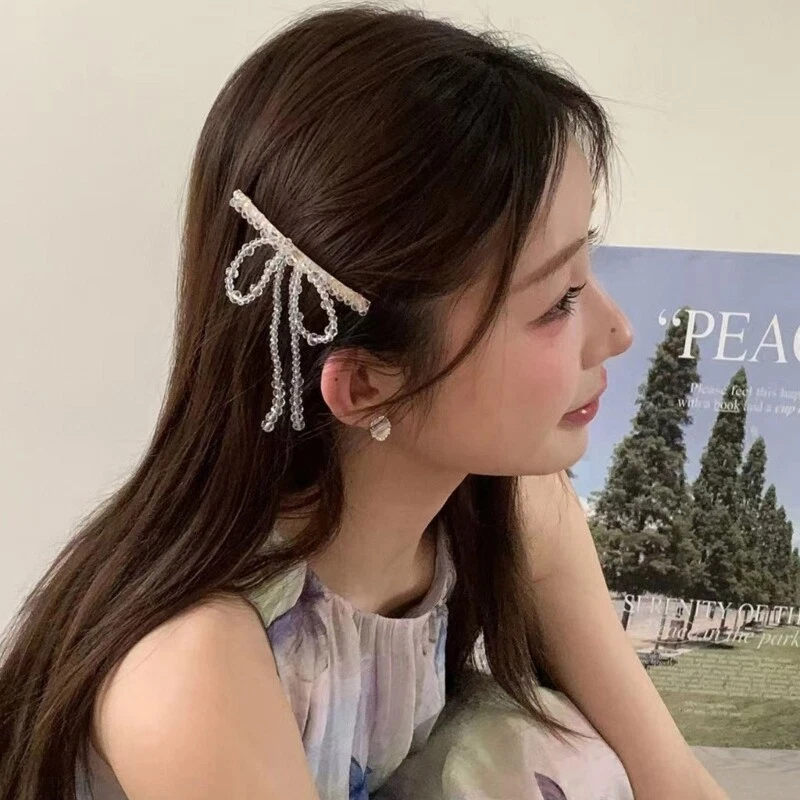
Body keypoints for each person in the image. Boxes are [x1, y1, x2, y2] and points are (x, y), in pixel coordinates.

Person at [0, 4, 729, 800]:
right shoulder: (194, 667)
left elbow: (675, 783)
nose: (617, 331)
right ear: (366, 385)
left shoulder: (508, 509)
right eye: (559, 299)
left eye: (589, 266)